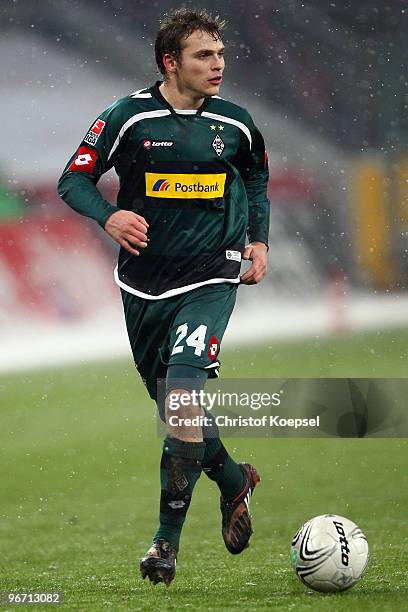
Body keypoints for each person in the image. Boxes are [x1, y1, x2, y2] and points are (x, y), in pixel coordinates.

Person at [58, 8, 269, 587]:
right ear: (170, 62)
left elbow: (254, 179)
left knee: (181, 397)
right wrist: (109, 216)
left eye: (221, 54)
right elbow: (73, 179)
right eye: (204, 55)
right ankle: (231, 481)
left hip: (212, 276)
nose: (218, 64)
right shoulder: (126, 117)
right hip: (144, 282)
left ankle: (164, 544)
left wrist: (257, 240)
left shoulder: (239, 122)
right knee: (177, 411)